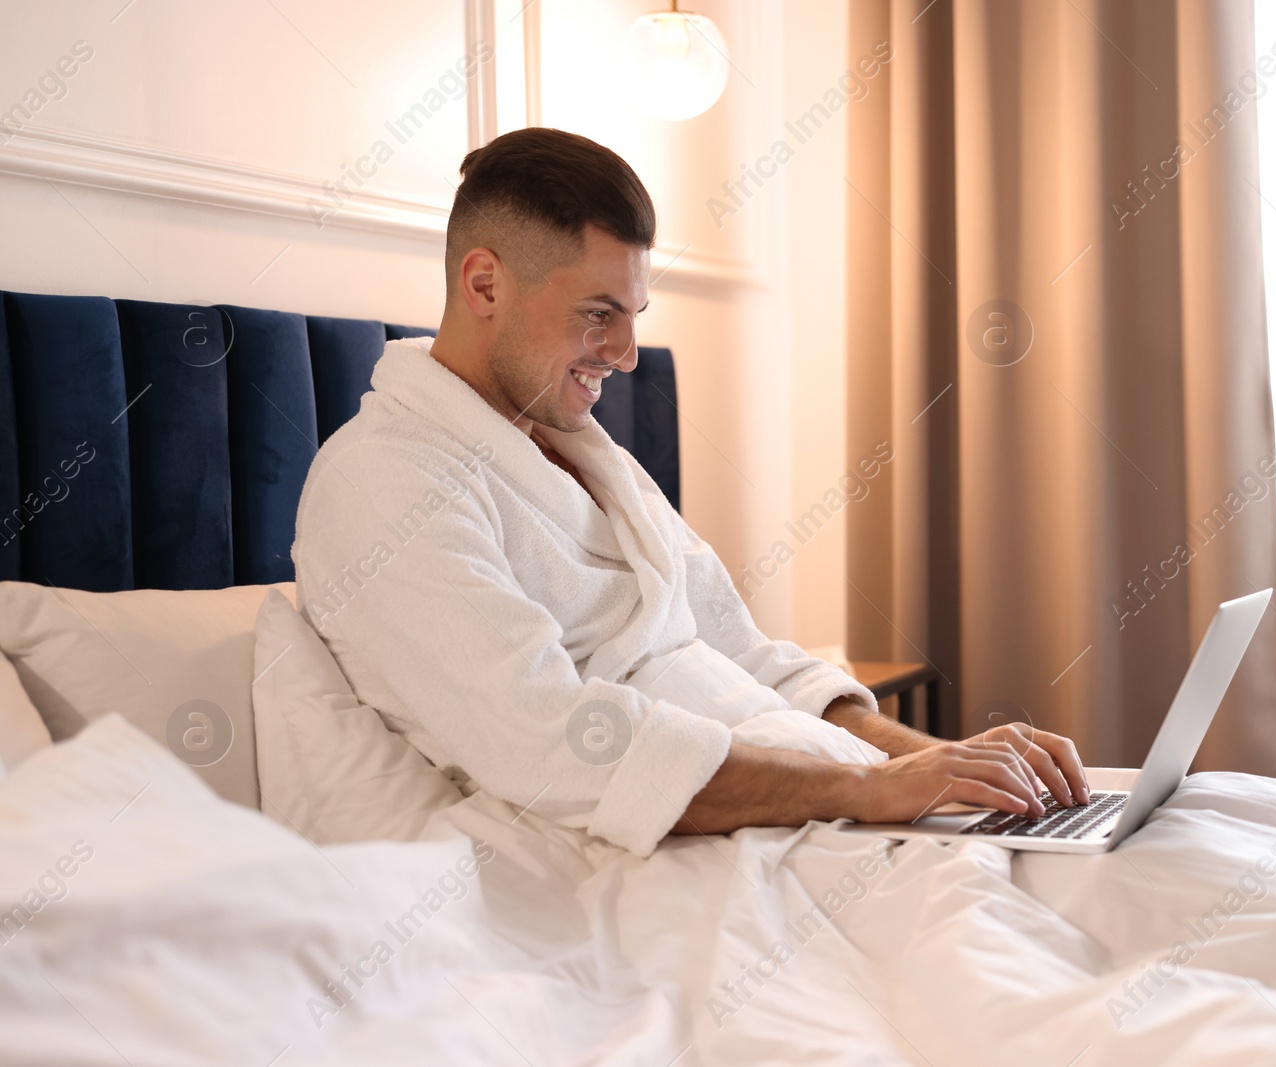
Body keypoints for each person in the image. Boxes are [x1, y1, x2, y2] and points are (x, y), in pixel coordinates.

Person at [292, 127, 1090, 856]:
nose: (628, 353)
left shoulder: (584, 454)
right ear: (485, 284)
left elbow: (742, 651)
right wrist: (874, 789)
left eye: (633, 314)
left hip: (812, 797)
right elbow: (553, 742)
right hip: (666, 847)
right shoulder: (383, 485)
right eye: (598, 313)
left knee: (1160, 836)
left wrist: (934, 758)